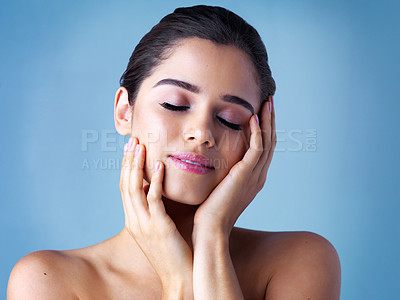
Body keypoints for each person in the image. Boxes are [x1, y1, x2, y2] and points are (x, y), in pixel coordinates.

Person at [7, 5, 341, 299]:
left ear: (260, 139)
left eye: (230, 120)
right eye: (175, 104)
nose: (202, 133)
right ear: (124, 111)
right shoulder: (48, 281)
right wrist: (179, 282)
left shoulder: (300, 260)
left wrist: (212, 236)